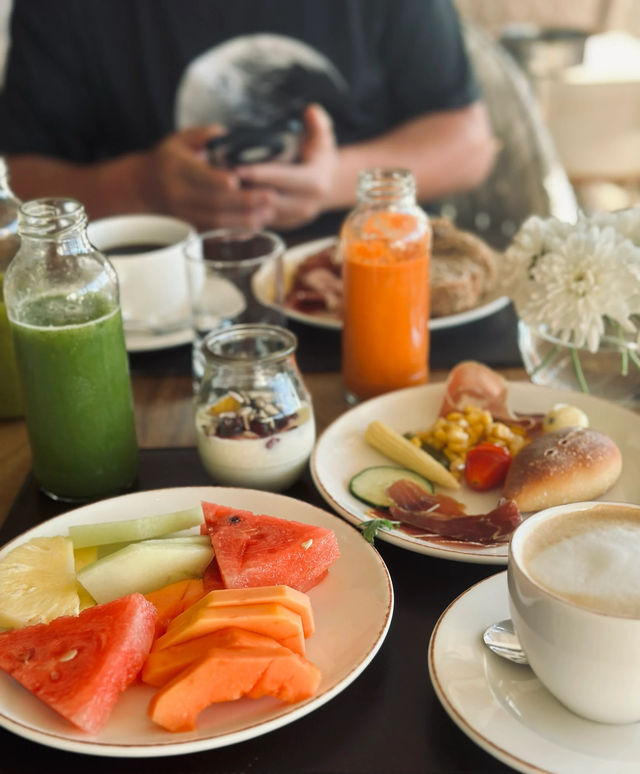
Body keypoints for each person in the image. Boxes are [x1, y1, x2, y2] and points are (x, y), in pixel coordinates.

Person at [0, 0, 496, 238]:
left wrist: (333, 181)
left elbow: (468, 143)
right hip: (148, 308)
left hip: (365, 282)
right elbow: (20, 182)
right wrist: (144, 187)